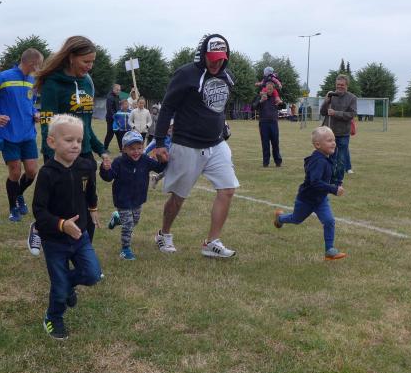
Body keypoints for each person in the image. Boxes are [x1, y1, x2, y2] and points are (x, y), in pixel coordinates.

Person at [152, 33, 239, 258]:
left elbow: (217, 106)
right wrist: (160, 142)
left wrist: (222, 124)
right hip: (187, 144)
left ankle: (212, 242)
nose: (216, 63)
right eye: (212, 58)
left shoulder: (227, 76)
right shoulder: (185, 74)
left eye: (221, 59)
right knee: (179, 196)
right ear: (202, 55)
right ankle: (164, 233)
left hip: (216, 143)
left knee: (228, 189)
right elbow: (167, 107)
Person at [29, 36, 110, 256]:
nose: (90, 66)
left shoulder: (87, 82)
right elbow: (47, 123)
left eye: (92, 62)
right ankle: (39, 228)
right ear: (71, 57)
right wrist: (51, 157)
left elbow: (86, 125)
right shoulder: (53, 83)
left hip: (84, 155)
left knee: (86, 206)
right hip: (60, 156)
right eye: (86, 61)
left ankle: (84, 255)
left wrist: (101, 149)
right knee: (58, 206)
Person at [32, 114, 102, 340]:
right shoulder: (47, 173)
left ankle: (65, 284)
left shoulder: (86, 166)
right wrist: (62, 225)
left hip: (80, 236)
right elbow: (39, 210)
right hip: (54, 240)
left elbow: (90, 190)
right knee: (59, 288)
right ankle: (53, 318)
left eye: (79, 141)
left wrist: (93, 209)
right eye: (69, 140)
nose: (75, 145)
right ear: (52, 142)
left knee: (92, 274)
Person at [0, 48, 43, 222]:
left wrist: (35, 113)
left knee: (32, 171)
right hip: (8, 134)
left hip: (28, 134)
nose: (40, 68)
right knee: (15, 172)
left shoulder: (32, 81)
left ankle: (18, 194)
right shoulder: (3, 78)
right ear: (32, 63)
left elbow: (30, 103)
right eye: (39, 64)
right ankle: (13, 207)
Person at [273, 127, 347, 261]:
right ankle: (280, 218)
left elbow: (330, 173)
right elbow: (315, 182)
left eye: (334, 140)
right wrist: (333, 189)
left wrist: (337, 183)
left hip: (321, 200)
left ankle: (329, 250)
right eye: (329, 141)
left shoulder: (326, 157)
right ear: (318, 145)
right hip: (306, 200)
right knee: (296, 219)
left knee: (329, 221)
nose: (333, 143)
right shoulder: (317, 161)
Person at [100, 130, 166, 260]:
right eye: (132, 149)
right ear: (124, 149)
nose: (136, 152)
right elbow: (108, 177)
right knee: (128, 225)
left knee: (135, 221)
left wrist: (163, 161)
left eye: (139, 148)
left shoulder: (145, 159)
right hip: (122, 199)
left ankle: (117, 218)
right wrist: (105, 169)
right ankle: (125, 250)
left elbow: (159, 168)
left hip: (138, 198)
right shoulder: (119, 162)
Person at [320, 74, 357, 182]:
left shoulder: (352, 98)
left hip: (343, 133)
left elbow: (352, 114)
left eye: (342, 85)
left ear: (346, 85)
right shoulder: (331, 96)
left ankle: (338, 181)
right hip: (329, 133)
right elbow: (323, 112)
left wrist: (336, 113)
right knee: (331, 158)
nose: (339, 86)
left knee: (341, 160)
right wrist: (326, 102)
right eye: (338, 84)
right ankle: (329, 179)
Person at [252, 82, 283, 167]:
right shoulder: (260, 96)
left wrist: (280, 102)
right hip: (263, 123)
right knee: (265, 143)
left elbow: (282, 106)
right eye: (267, 89)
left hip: (273, 123)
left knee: (275, 143)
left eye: (271, 89)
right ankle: (266, 162)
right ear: (265, 88)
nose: (269, 90)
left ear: (273, 89)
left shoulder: (276, 97)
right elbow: (253, 106)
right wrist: (261, 101)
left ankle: (278, 162)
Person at [103, 83, 121, 150]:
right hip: (111, 119)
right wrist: (115, 117)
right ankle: (105, 148)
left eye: (119, 90)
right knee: (110, 134)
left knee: (119, 134)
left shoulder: (117, 96)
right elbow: (109, 109)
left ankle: (121, 149)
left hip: (117, 118)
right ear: (113, 89)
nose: (118, 91)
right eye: (117, 90)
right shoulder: (110, 97)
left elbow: (118, 107)